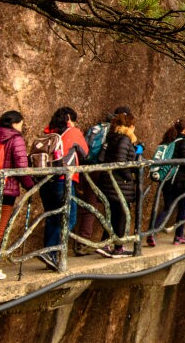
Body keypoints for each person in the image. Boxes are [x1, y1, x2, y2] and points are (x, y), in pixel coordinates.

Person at [0, 111, 34, 281]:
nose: (22, 128)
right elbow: (21, 167)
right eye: (21, 124)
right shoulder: (15, 138)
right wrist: (30, 186)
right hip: (5, 190)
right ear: (15, 123)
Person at [37, 107, 88, 270]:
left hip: (45, 182)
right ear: (69, 119)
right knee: (69, 217)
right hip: (63, 180)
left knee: (52, 217)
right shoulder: (73, 132)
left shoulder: (48, 133)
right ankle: (50, 252)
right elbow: (85, 153)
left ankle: (49, 253)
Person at [75, 105, 131, 256]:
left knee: (90, 207)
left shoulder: (99, 128)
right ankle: (105, 244)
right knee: (114, 208)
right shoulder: (117, 131)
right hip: (105, 173)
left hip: (90, 169)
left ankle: (83, 243)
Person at [96, 112, 138, 258]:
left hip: (109, 181)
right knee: (121, 215)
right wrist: (129, 177)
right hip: (120, 183)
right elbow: (121, 161)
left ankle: (105, 244)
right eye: (133, 126)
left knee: (113, 214)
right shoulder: (125, 139)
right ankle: (118, 248)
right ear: (129, 126)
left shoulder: (112, 137)